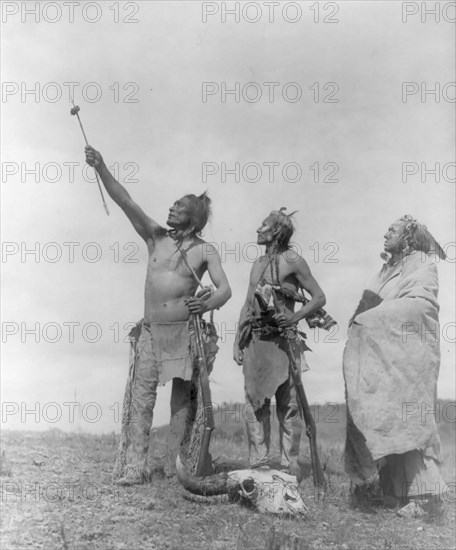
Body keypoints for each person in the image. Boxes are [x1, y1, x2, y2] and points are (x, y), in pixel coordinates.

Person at [85, 146, 231, 485]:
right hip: (151, 332)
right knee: (141, 396)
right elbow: (126, 201)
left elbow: (224, 289)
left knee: (181, 401)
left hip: (185, 335)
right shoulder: (155, 236)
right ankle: (135, 466)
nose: (171, 207)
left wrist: (206, 304)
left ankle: (176, 465)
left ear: (194, 217)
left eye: (179, 205)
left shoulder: (205, 250)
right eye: (172, 204)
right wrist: (102, 166)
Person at [344, 215, 446, 509]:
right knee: (387, 420)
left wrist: (373, 318)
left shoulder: (423, 266)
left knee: (411, 423)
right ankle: (396, 493)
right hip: (384, 358)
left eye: (393, 230)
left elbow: (422, 305)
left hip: (411, 359)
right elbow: (370, 304)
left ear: (409, 238)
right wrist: (364, 319)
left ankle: (426, 499)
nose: (386, 233)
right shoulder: (387, 270)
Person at [233, 208, 327, 477]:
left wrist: (295, 317)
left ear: (275, 231)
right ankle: (259, 464)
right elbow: (247, 303)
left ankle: (288, 466)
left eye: (263, 225)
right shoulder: (258, 264)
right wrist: (237, 341)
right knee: (254, 402)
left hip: (284, 343)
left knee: (289, 406)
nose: (257, 229)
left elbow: (319, 297)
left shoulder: (293, 260)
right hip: (256, 341)